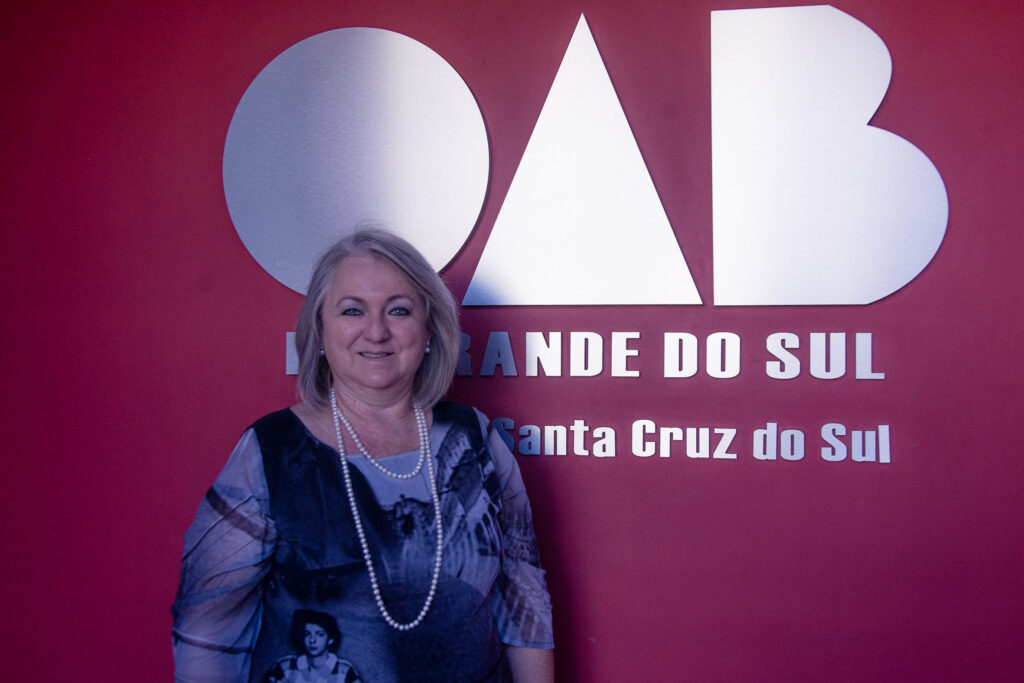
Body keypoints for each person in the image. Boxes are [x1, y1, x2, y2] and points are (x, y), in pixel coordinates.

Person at [172, 229, 554, 682]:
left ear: (429, 329)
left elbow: (525, 602)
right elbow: (207, 629)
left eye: (399, 310)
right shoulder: (270, 451)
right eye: (352, 310)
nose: (376, 331)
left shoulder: (476, 438)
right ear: (320, 330)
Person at [262, 609, 360, 683]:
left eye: (320, 634)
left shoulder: (344, 671)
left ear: (330, 639)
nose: (312, 640)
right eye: (307, 634)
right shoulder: (285, 667)